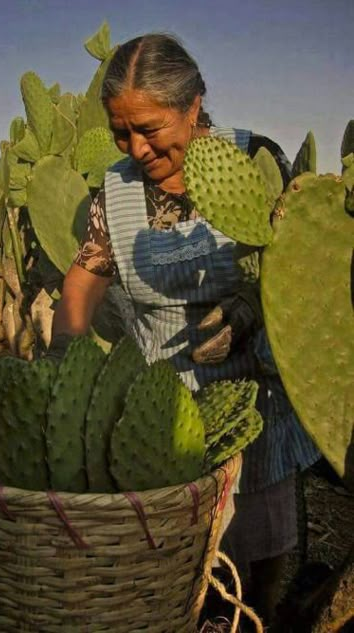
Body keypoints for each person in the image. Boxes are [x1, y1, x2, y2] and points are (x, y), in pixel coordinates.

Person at [47, 33, 319, 625]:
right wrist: (62, 363)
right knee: (174, 570)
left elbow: (302, 265)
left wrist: (248, 309)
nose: (136, 148)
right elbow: (85, 277)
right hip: (162, 411)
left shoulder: (256, 160)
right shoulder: (111, 194)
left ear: (194, 105)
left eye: (150, 128)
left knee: (256, 557)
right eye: (121, 133)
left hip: (255, 399)